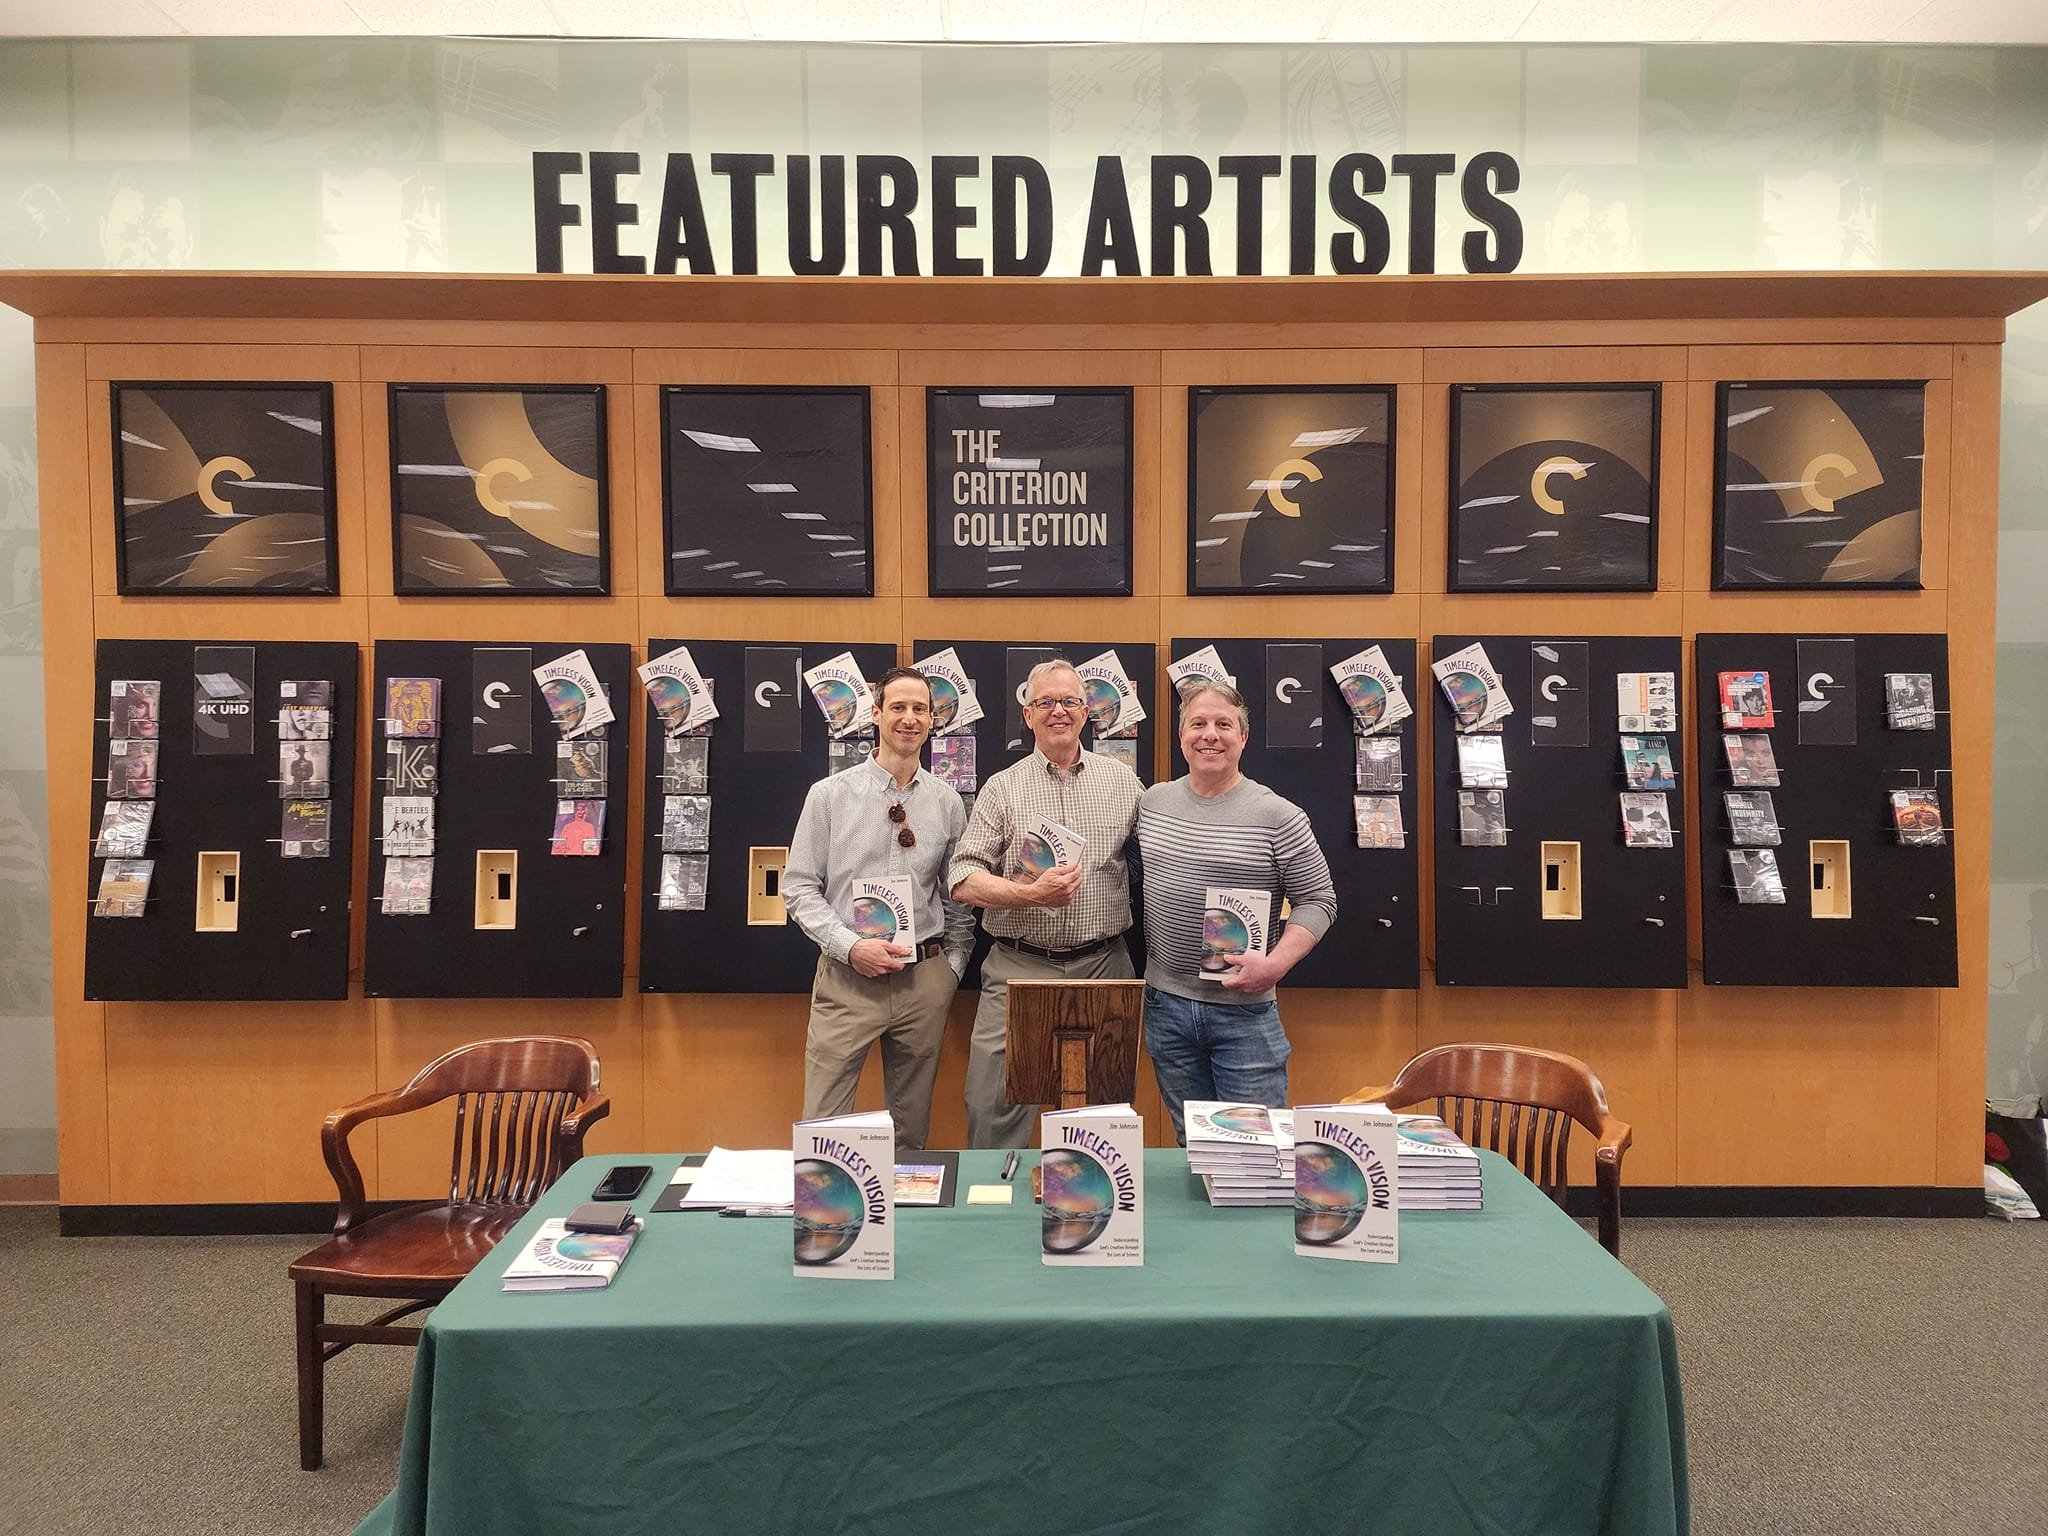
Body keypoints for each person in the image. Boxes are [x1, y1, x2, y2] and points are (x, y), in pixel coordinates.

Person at [949, 659, 1144, 1148]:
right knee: (992, 1107)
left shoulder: (1123, 783)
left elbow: (1160, 863)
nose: (1058, 711)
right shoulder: (1002, 787)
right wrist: (1028, 895)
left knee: (1104, 1112)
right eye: (1045, 702)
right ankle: (995, 1218)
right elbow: (962, 878)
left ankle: (1096, 1214)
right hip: (1018, 968)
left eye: (1070, 701)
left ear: (1087, 712)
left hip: (1104, 966)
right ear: (1028, 715)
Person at [1135, 682, 1336, 1142]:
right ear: (1181, 735)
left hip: (1244, 1013)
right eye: (1198, 724)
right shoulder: (1153, 803)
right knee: (1194, 1146)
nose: (1211, 735)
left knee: (1257, 1154)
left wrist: (1276, 964)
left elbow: (1319, 900)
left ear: (1243, 737)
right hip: (1165, 1007)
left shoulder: (1278, 815)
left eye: (1224, 725)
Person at [784, 666, 973, 1151]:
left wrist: (950, 969)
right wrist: (850, 948)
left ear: (933, 720)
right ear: (875, 714)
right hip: (848, 982)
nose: (909, 719)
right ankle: (827, 1225)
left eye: (920, 709)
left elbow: (956, 896)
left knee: (909, 1133)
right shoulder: (828, 796)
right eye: (898, 707)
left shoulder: (948, 802)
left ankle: (903, 1227)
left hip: (922, 982)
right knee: (823, 1126)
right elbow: (799, 887)